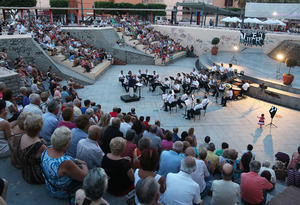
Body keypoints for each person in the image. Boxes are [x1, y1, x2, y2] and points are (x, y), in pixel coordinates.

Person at [41, 126, 88, 199]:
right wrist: (84, 164)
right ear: (66, 144)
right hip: (60, 191)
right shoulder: (66, 162)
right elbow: (84, 177)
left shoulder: (46, 149)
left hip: (50, 184)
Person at [17, 114, 46, 184]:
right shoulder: (40, 146)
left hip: (25, 170)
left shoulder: (22, 136)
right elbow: (45, 162)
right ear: (40, 128)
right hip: (35, 175)